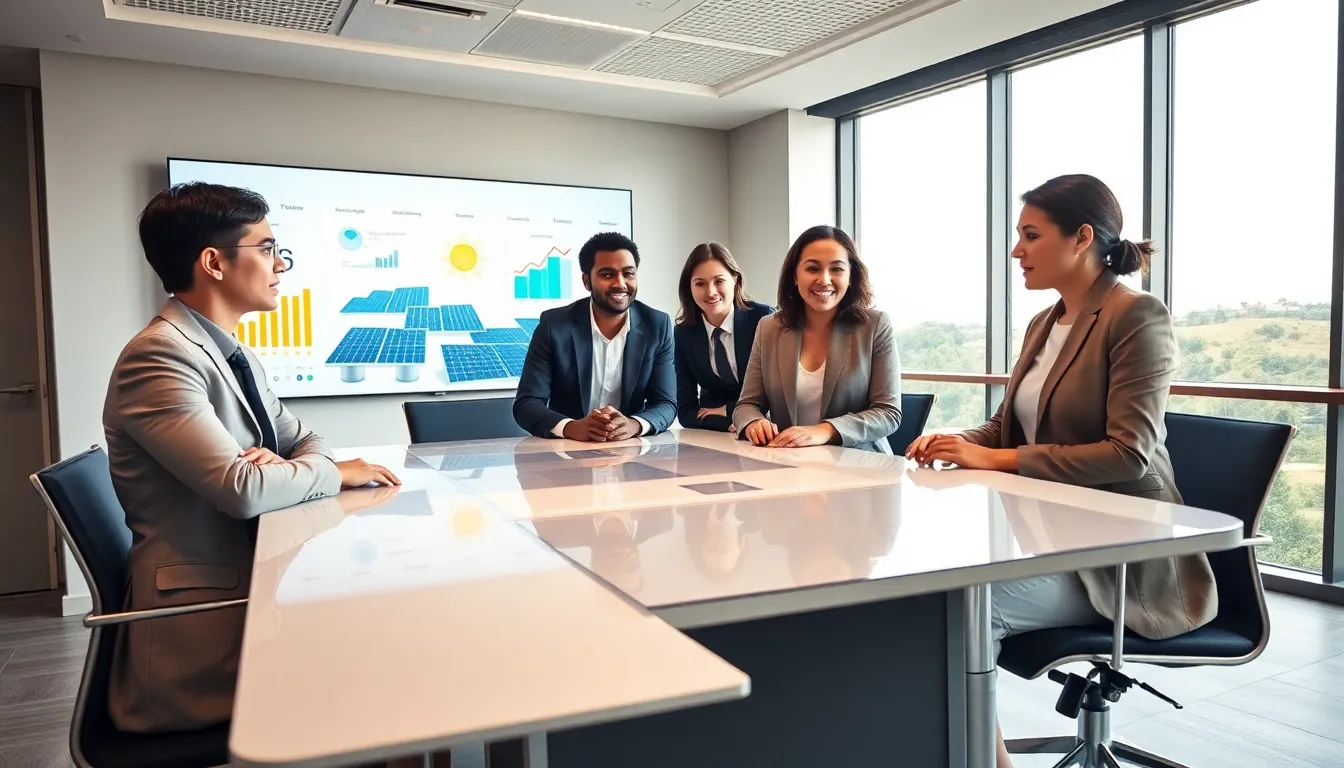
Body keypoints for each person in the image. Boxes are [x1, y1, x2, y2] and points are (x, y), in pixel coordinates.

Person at [905, 174, 1216, 768]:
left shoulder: (1137, 315)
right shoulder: (1044, 323)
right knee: (942, 593)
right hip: (1055, 536)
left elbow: (1130, 452)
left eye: (1029, 235)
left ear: (1080, 238)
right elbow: (1007, 426)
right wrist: (956, 442)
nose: (1016, 251)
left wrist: (993, 458)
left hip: (1124, 556)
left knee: (965, 608)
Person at [103, 182, 401, 735]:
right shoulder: (160, 356)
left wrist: (290, 469)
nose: (280, 264)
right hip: (201, 634)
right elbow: (243, 491)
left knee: (389, 647)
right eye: (266, 249)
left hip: (253, 591)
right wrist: (330, 475)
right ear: (214, 262)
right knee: (390, 675)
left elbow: (306, 439)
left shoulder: (230, 351)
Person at [732, 225, 902, 453]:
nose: (824, 280)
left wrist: (824, 430)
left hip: (859, 464)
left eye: (837, 269)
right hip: (787, 463)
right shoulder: (769, 327)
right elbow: (747, 404)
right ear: (795, 275)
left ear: (851, 276)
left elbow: (888, 412)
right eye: (812, 268)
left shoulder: (874, 326)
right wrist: (754, 421)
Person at [513, 231, 676, 441]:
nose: (620, 283)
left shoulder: (658, 325)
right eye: (607, 275)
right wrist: (572, 427)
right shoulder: (554, 326)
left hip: (629, 453)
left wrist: (633, 425)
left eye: (628, 273)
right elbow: (526, 404)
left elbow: (666, 404)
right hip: (567, 453)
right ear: (587, 281)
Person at [673, 243, 773, 432]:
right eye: (700, 283)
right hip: (719, 437)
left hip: (768, 429)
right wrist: (729, 423)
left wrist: (729, 410)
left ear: (735, 280)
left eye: (719, 281)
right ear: (689, 287)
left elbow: (777, 396)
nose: (710, 292)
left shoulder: (764, 319)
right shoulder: (683, 334)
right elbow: (686, 412)